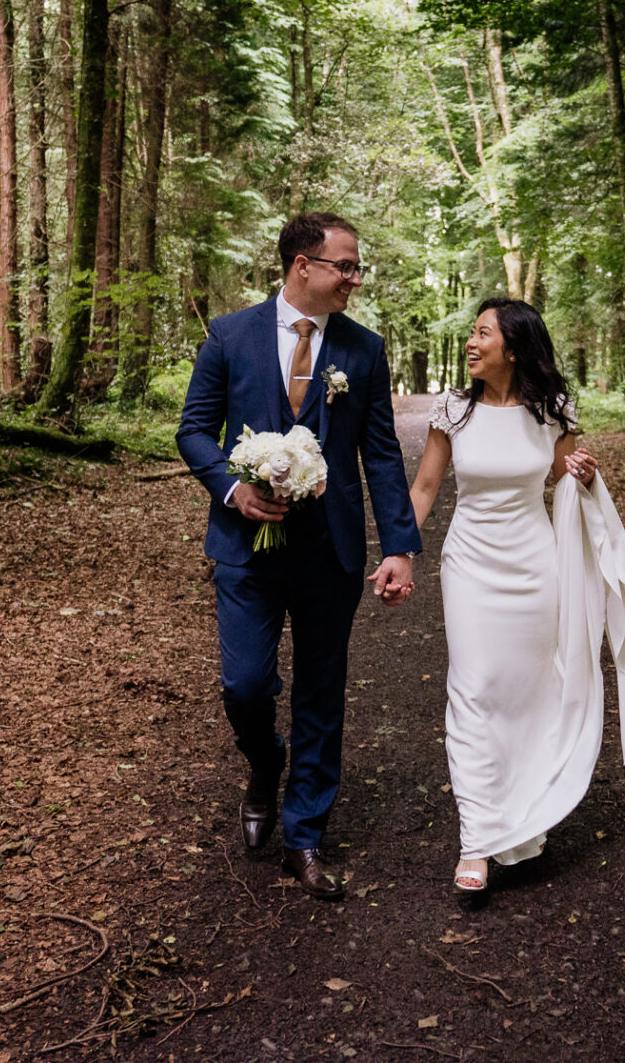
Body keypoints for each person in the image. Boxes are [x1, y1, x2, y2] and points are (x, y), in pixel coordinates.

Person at [176, 212, 421, 901]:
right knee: (245, 685)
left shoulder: (364, 351)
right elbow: (194, 430)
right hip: (244, 550)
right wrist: (231, 489)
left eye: (356, 266)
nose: (354, 277)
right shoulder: (230, 335)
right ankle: (264, 763)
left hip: (331, 550)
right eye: (344, 265)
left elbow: (378, 453)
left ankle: (304, 835)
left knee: (321, 694)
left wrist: (398, 545)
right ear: (301, 266)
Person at [407, 298, 625, 903]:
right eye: (472, 333)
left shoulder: (554, 410)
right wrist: (401, 551)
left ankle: (524, 817)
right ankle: (476, 837)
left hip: (536, 564)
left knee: (532, 691)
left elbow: (560, 475)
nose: (471, 343)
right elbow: (425, 486)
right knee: (473, 688)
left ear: (515, 347)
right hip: (471, 565)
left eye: (483, 334)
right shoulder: (452, 410)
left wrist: (579, 470)